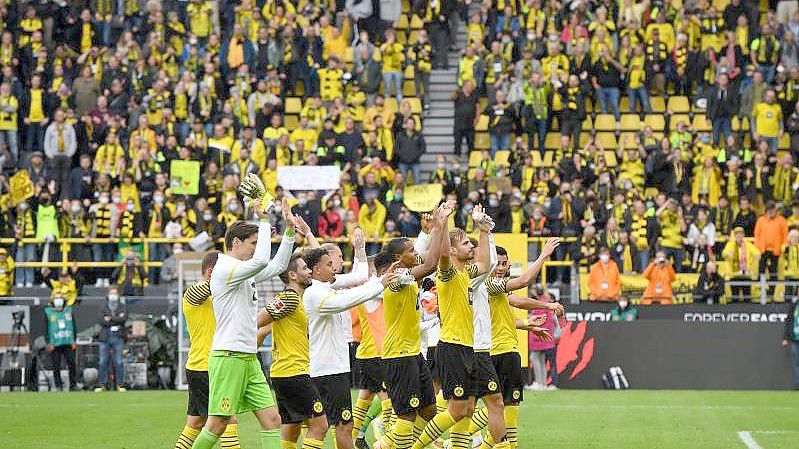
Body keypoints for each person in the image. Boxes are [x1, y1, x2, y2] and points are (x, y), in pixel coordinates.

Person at [190, 197, 297, 449]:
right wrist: (263, 219)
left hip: (248, 357)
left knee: (273, 420)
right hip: (229, 356)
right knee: (217, 424)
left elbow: (279, 264)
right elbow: (261, 261)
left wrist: (290, 231)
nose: (255, 249)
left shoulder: (241, 269)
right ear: (235, 242)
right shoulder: (225, 267)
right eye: (252, 244)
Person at [302, 235, 399, 449]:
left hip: (334, 367)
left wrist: (363, 254)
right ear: (316, 270)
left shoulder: (325, 288)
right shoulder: (314, 293)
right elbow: (345, 300)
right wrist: (378, 286)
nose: (334, 268)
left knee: (331, 425)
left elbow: (358, 281)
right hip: (327, 369)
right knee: (340, 425)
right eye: (329, 264)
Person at [411, 209, 493, 449]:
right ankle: (417, 446)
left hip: (466, 347)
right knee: (457, 410)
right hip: (453, 347)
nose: (471, 246)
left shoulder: (467, 272)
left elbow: (486, 263)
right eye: (466, 243)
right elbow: (443, 254)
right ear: (454, 250)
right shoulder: (447, 273)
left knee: (467, 408)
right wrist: (443, 223)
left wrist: (485, 230)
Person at [370, 202, 450, 449]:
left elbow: (422, 255)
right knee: (406, 415)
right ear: (398, 258)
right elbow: (430, 264)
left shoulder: (405, 271)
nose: (415, 252)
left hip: (413, 353)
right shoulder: (394, 278)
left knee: (428, 411)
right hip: (399, 356)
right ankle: (382, 445)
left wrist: (429, 231)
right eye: (411, 250)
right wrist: (439, 225)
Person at [255, 253, 330, 449]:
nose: (310, 271)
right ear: (292, 275)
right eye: (305, 268)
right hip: (293, 372)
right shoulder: (289, 298)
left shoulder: (294, 300)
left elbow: (264, 329)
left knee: (292, 428)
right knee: (320, 426)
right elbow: (259, 320)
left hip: (284, 373)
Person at [172, 251, 242, 449]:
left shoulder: (217, 297)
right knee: (229, 420)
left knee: (195, 423)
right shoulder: (194, 293)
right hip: (208, 366)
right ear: (212, 272)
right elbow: (201, 291)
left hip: (200, 365)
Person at [95, 286, 127, 392]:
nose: (113, 295)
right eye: (111, 293)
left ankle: (120, 385)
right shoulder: (102, 306)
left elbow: (123, 319)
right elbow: (101, 320)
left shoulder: (122, 306)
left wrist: (110, 318)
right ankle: (102, 385)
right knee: (103, 362)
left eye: (115, 293)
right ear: (108, 295)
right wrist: (116, 319)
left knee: (118, 362)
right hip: (105, 337)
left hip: (118, 336)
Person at [44, 294, 77, 391]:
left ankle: (73, 385)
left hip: (68, 341)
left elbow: (74, 327)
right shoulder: (48, 312)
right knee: (56, 365)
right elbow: (46, 329)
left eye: (60, 298)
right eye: (56, 298)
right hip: (55, 342)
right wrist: (48, 343)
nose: (58, 300)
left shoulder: (69, 311)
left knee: (71, 363)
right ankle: (58, 386)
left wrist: (74, 340)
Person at [722, 227, 762, 302]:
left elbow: (757, 253)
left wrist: (757, 256)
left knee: (747, 298)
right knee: (735, 298)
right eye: (737, 234)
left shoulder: (748, 245)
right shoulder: (730, 245)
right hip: (734, 274)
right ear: (734, 236)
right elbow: (724, 254)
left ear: (743, 235)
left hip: (746, 275)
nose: (739, 236)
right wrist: (728, 255)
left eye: (741, 234)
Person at [782, 295, 799, 389]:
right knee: (797, 364)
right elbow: (789, 321)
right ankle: (797, 386)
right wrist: (786, 337)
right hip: (795, 339)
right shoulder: (794, 305)